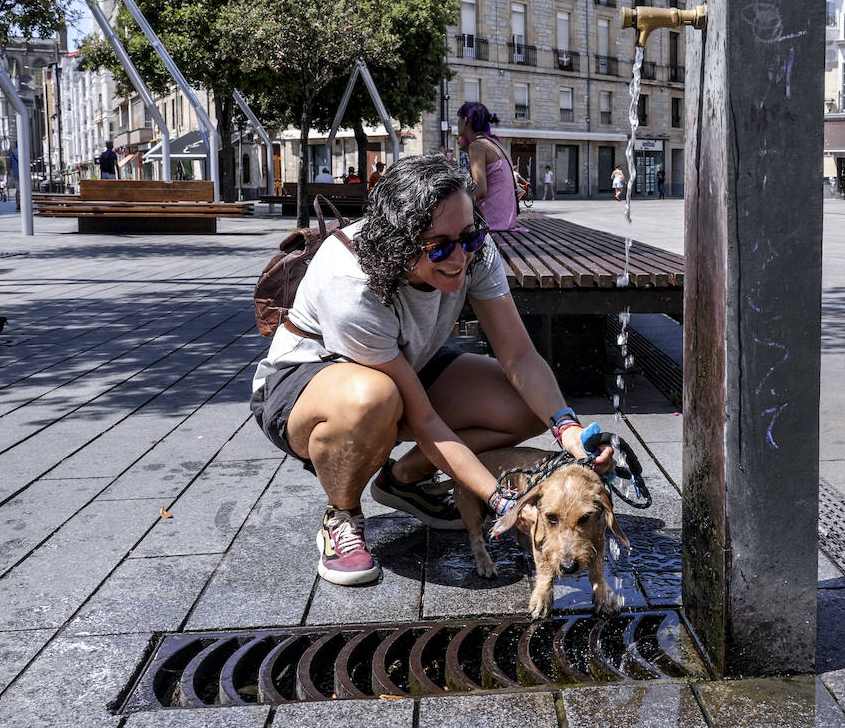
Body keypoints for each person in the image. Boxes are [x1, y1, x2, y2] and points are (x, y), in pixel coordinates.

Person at [249, 155, 612, 586]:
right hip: (310, 383)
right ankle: (342, 514)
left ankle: (402, 480)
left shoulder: (471, 249)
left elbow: (518, 356)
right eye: (439, 246)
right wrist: (500, 502)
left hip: (406, 365)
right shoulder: (349, 281)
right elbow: (423, 420)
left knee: (528, 407)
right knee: (373, 398)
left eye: (468, 236)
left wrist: (566, 430)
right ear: (397, 244)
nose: (459, 256)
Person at [457, 101, 519, 232]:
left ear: (465, 120)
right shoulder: (494, 143)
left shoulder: (477, 146)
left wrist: (456, 203)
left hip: (492, 222)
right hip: (506, 220)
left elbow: (480, 191)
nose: (457, 123)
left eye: (459, 118)